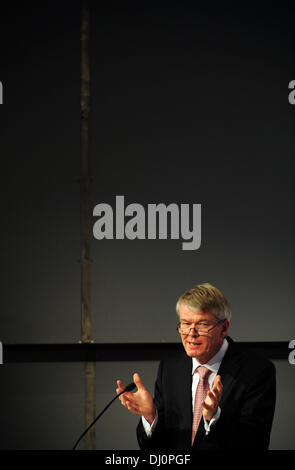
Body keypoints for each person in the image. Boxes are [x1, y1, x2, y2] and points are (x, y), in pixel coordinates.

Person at [116, 283, 276, 450]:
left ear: (224, 328)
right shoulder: (170, 369)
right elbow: (154, 448)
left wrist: (213, 418)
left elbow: (255, 444)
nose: (191, 333)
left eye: (202, 324)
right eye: (185, 323)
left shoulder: (257, 371)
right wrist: (150, 417)